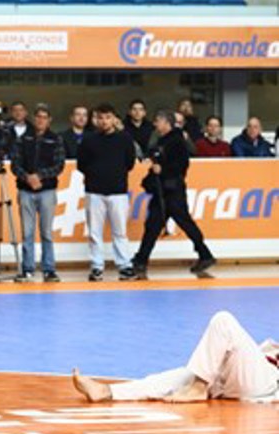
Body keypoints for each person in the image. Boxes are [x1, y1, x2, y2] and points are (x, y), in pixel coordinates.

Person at [73, 311, 278, 404]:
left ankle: (198, 389)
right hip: (240, 374)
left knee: (223, 321)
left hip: (266, 384)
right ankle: (106, 392)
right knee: (175, 377)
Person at [131, 110, 215, 277]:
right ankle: (141, 260)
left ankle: (205, 254)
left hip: (173, 190)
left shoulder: (176, 141)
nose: (155, 125)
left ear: (166, 123)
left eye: (158, 121)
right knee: (153, 226)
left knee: (183, 222)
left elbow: (182, 165)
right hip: (161, 189)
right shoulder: (161, 141)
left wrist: (163, 169)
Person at [76, 103, 138, 282]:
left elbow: (130, 163)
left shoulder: (124, 138)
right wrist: (95, 174)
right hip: (94, 192)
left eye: (107, 117)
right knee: (95, 232)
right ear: (95, 119)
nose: (104, 121)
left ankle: (125, 266)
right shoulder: (88, 139)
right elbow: (81, 164)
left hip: (118, 191)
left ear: (114, 119)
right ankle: (96, 266)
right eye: (100, 118)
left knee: (120, 232)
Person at [11, 106, 66, 283]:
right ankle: (27, 269)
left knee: (46, 232)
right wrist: (27, 177)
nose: (41, 120)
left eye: (44, 117)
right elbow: (15, 164)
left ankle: (49, 269)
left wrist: (39, 176)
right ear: (34, 119)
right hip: (26, 190)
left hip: (47, 191)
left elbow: (59, 165)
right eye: (38, 117)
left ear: (49, 120)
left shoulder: (55, 139)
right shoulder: (23, 138)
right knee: (27, 232)